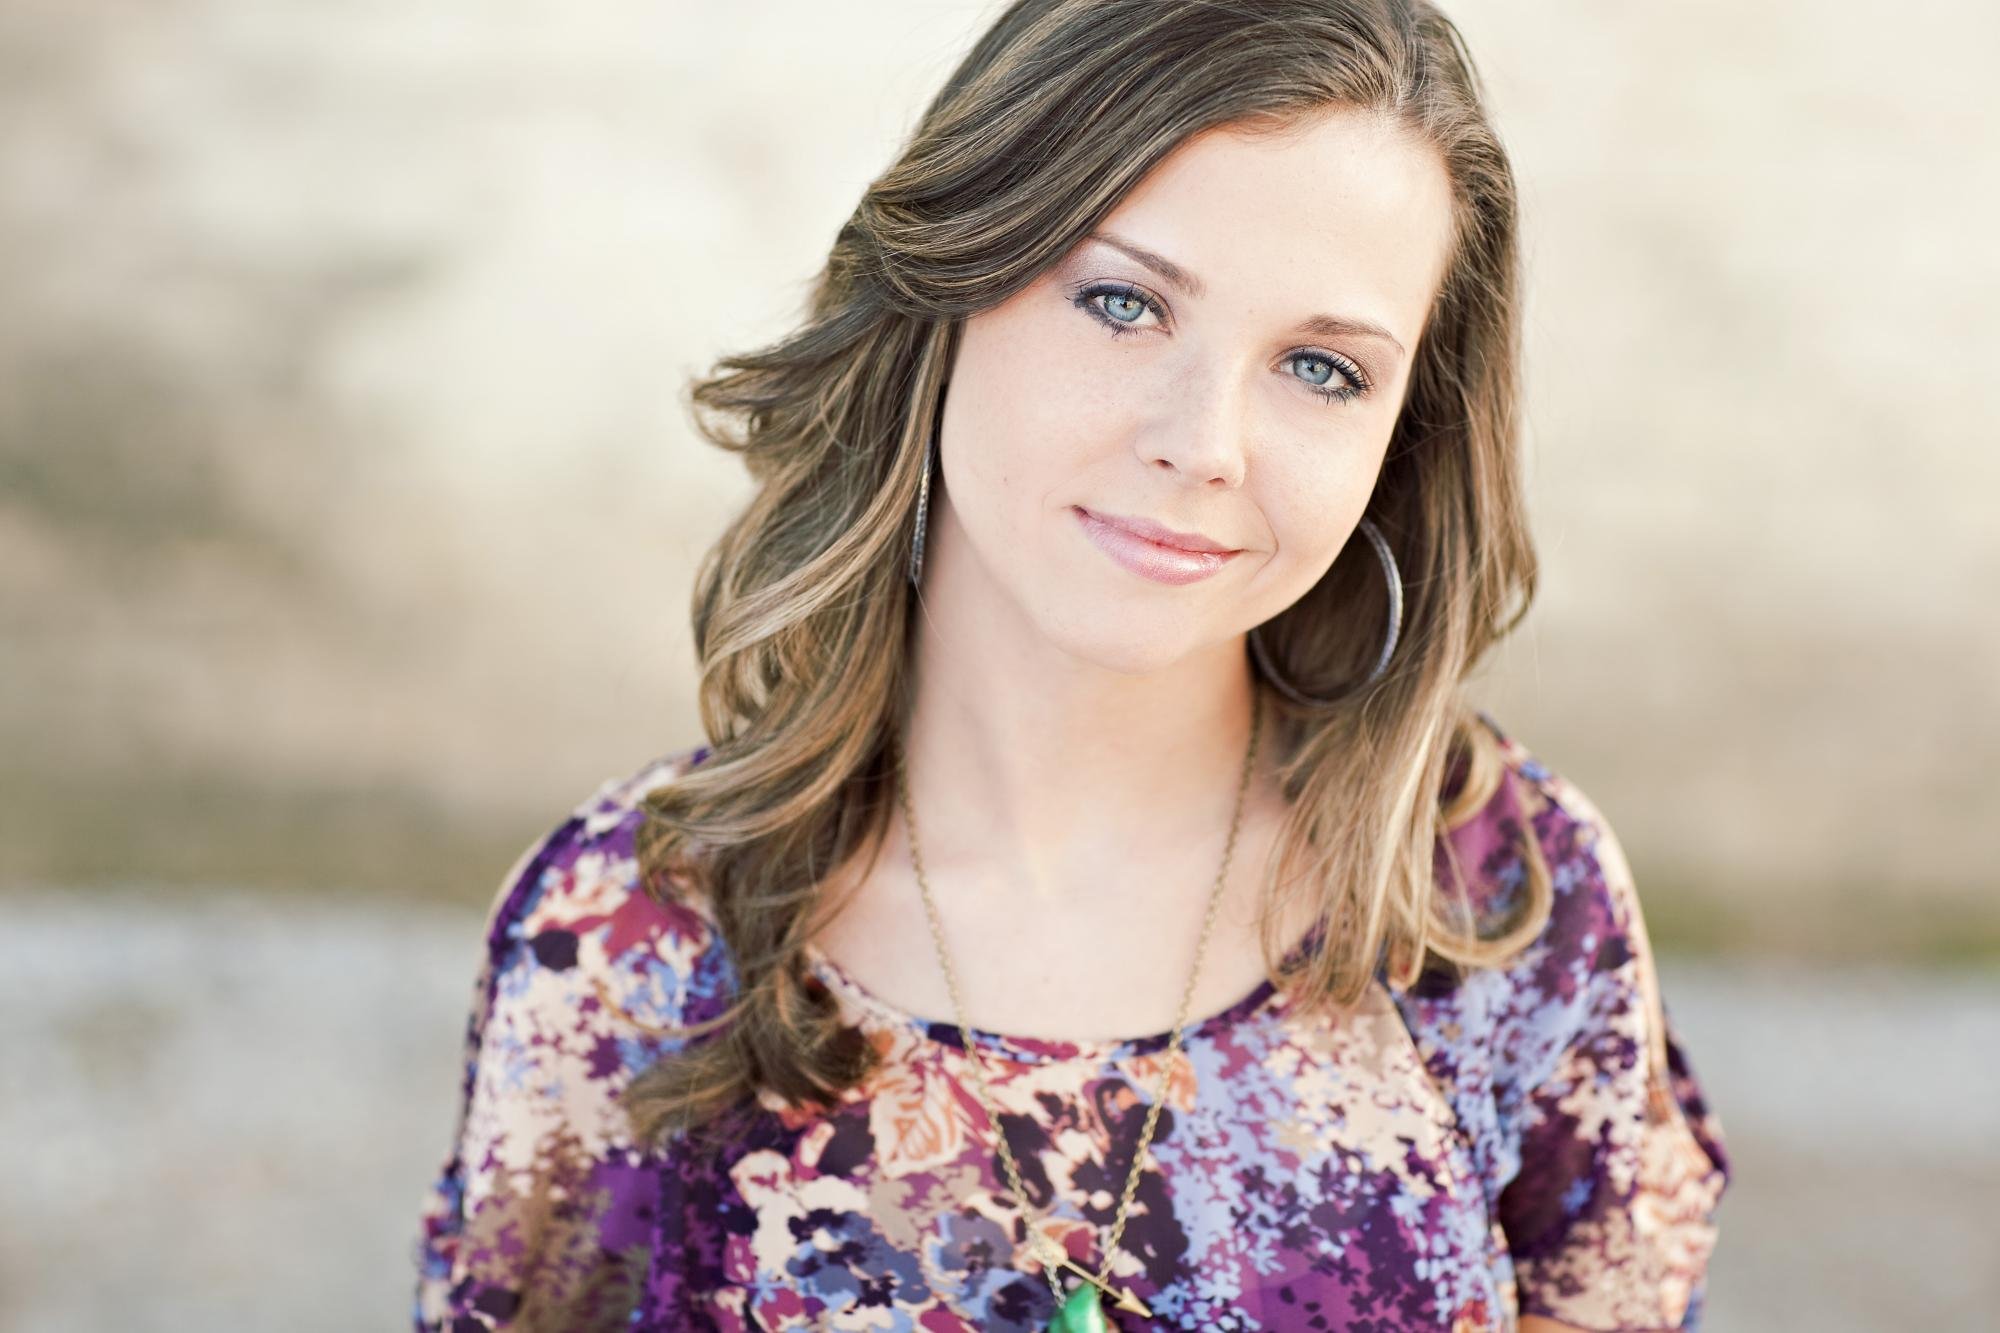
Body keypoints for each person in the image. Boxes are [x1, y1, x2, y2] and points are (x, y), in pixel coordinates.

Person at [412, 1, 1731, 1328]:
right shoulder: (626, 941)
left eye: (1323, 368)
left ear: (1405, 435)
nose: (1204, 443)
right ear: (944, 285)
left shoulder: (1501, 898)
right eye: (1122, 302)